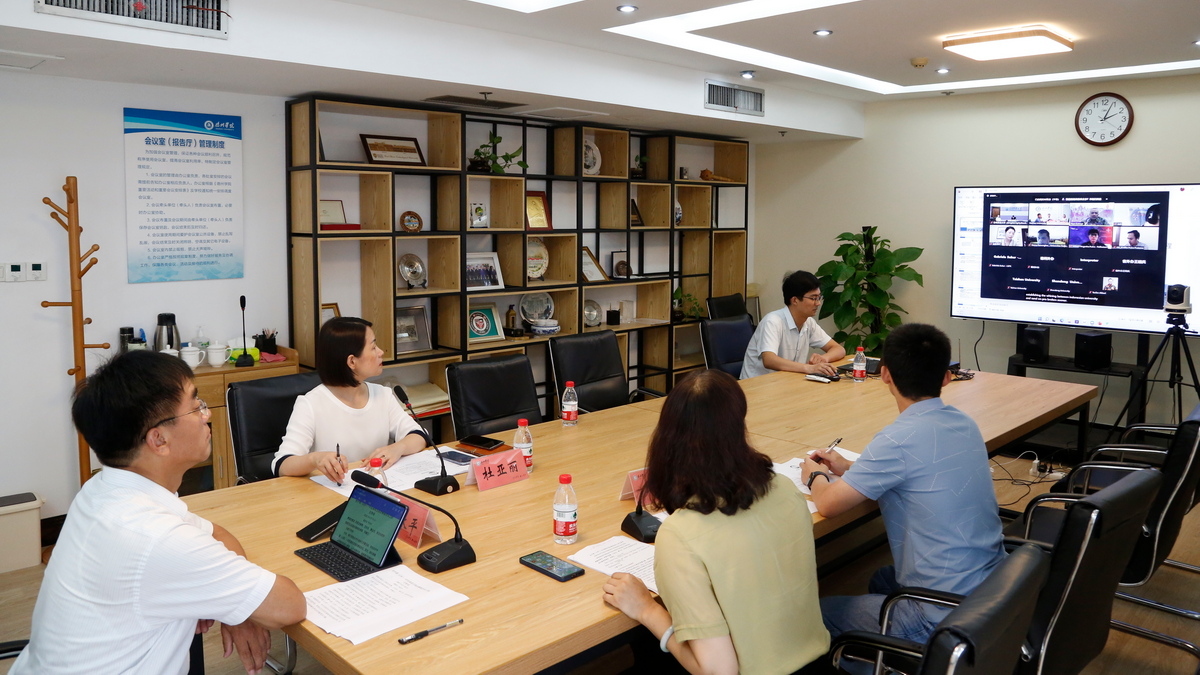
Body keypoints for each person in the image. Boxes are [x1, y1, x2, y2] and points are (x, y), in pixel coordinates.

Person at [11, 350, 306, 675]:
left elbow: (215, 533)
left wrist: (233, 603)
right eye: (196, 405)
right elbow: (289, 605)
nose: (206, 414)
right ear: (159, 439)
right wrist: (239, 603)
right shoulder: (158, 539)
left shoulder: (102, 491)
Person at [602, 370, 829, 675]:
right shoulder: (787, 490)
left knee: (644, 644)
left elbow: (719, 671)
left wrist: (646, 609)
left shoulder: (681, 535)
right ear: (740, 425)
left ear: (667, 438)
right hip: (819, 664)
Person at [802, 323, 1005, 645]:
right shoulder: (964, 423)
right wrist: (851, 467)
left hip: (942, 617)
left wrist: (815, 475)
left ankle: (903, 652)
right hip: (996, 592)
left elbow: (828, 504)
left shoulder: (896, 440)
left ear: (884, 374)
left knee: (813, 617)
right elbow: (920, 468)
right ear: (946, 377)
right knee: (883, 578)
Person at [274, 317, 427, 484]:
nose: (381, 352)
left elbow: (419, 435)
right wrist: (315, 459)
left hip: (377, 488)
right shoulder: (310, 404)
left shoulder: (383, 394)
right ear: (352, 361)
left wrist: (398, 448)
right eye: (373, 347)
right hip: (331, 492)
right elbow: (282, 464)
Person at [740, 270, 846, 379]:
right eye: (813, 298)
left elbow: (838, 349)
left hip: (787, 381)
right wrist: (809, 368)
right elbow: (769, 360)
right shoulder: (772, 321)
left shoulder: (808, 322)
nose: (818, 303)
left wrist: (824, 359)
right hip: (757, 384)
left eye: (819, 297)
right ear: (795, 300)